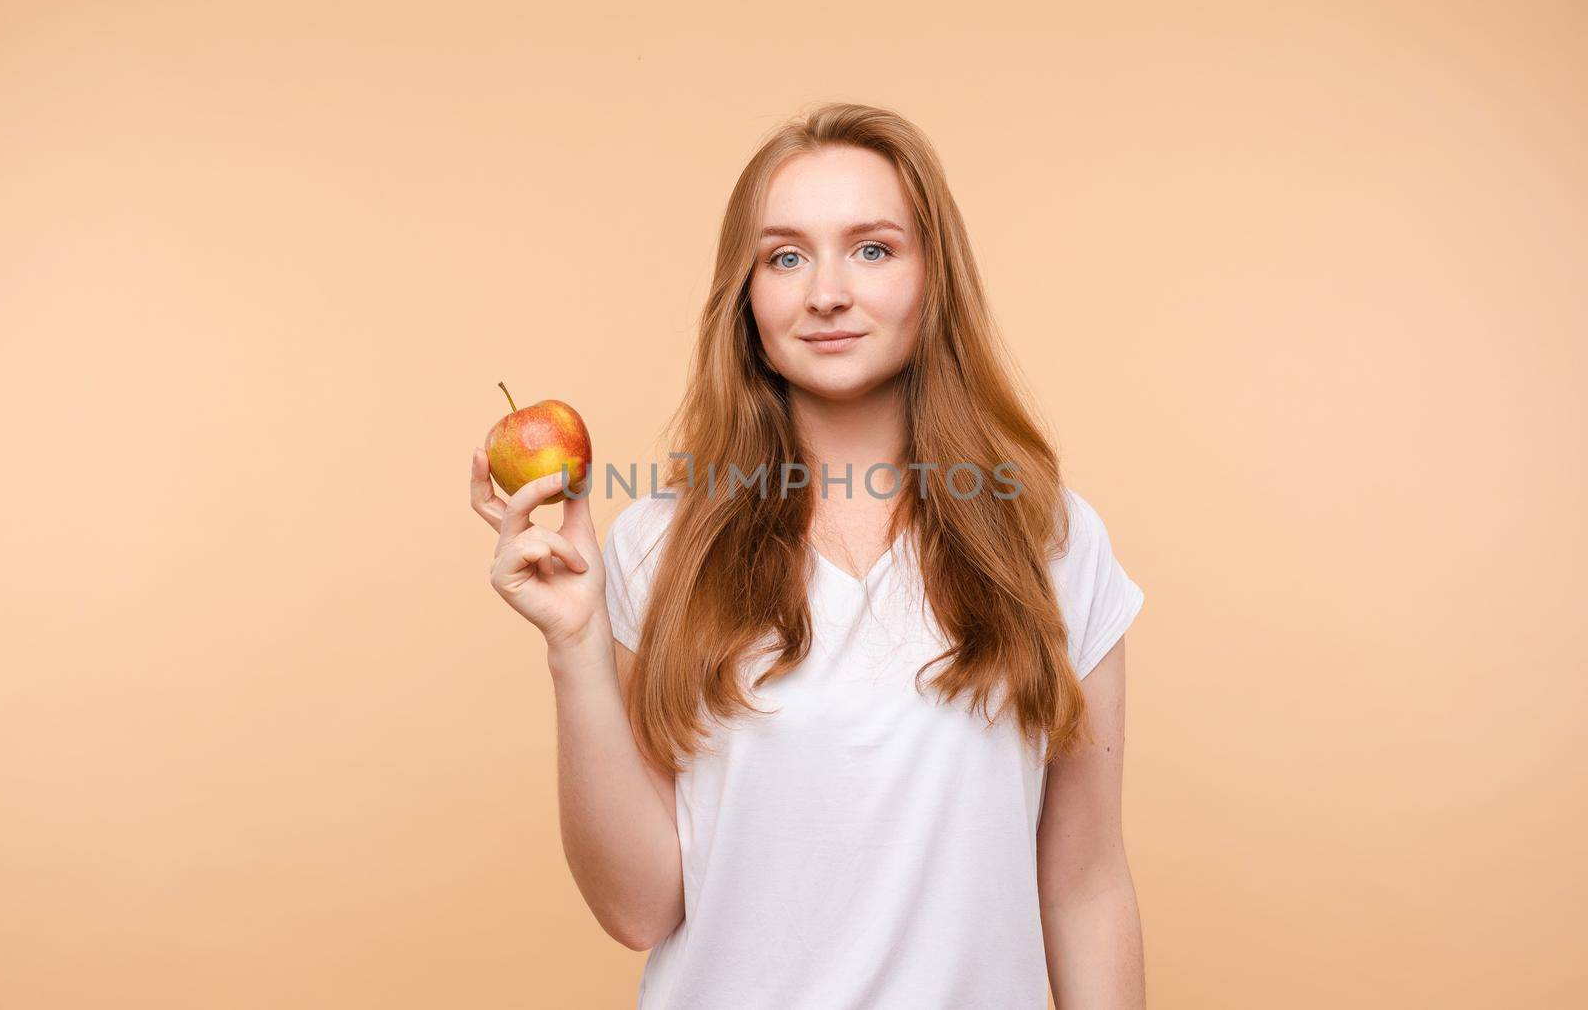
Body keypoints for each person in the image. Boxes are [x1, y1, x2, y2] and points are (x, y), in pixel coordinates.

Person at [469, 102, 1148, 1009]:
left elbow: (1085, 885)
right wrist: (574, 644)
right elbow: (639, 907)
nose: (826, 292)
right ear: (746, 296)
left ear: (933, 278)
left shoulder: (1052, 540)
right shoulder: (658, 546)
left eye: (872, 248)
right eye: (785, 256)